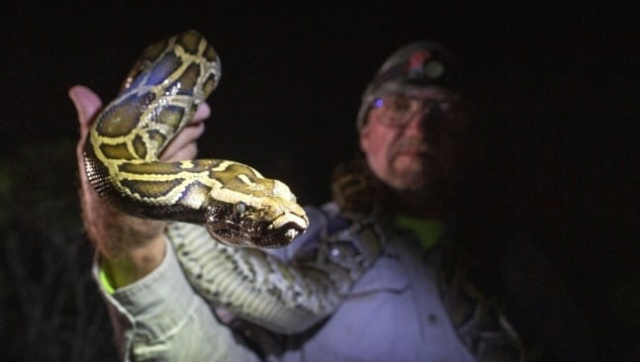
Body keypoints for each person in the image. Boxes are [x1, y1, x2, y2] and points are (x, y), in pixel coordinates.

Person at [71, 40, 593, 361]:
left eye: (445, 114)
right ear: (363, 131)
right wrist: (133, 241)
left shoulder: (526, 271)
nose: (419, 126)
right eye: (397, 105)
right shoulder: (300, 234)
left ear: (473, 143)